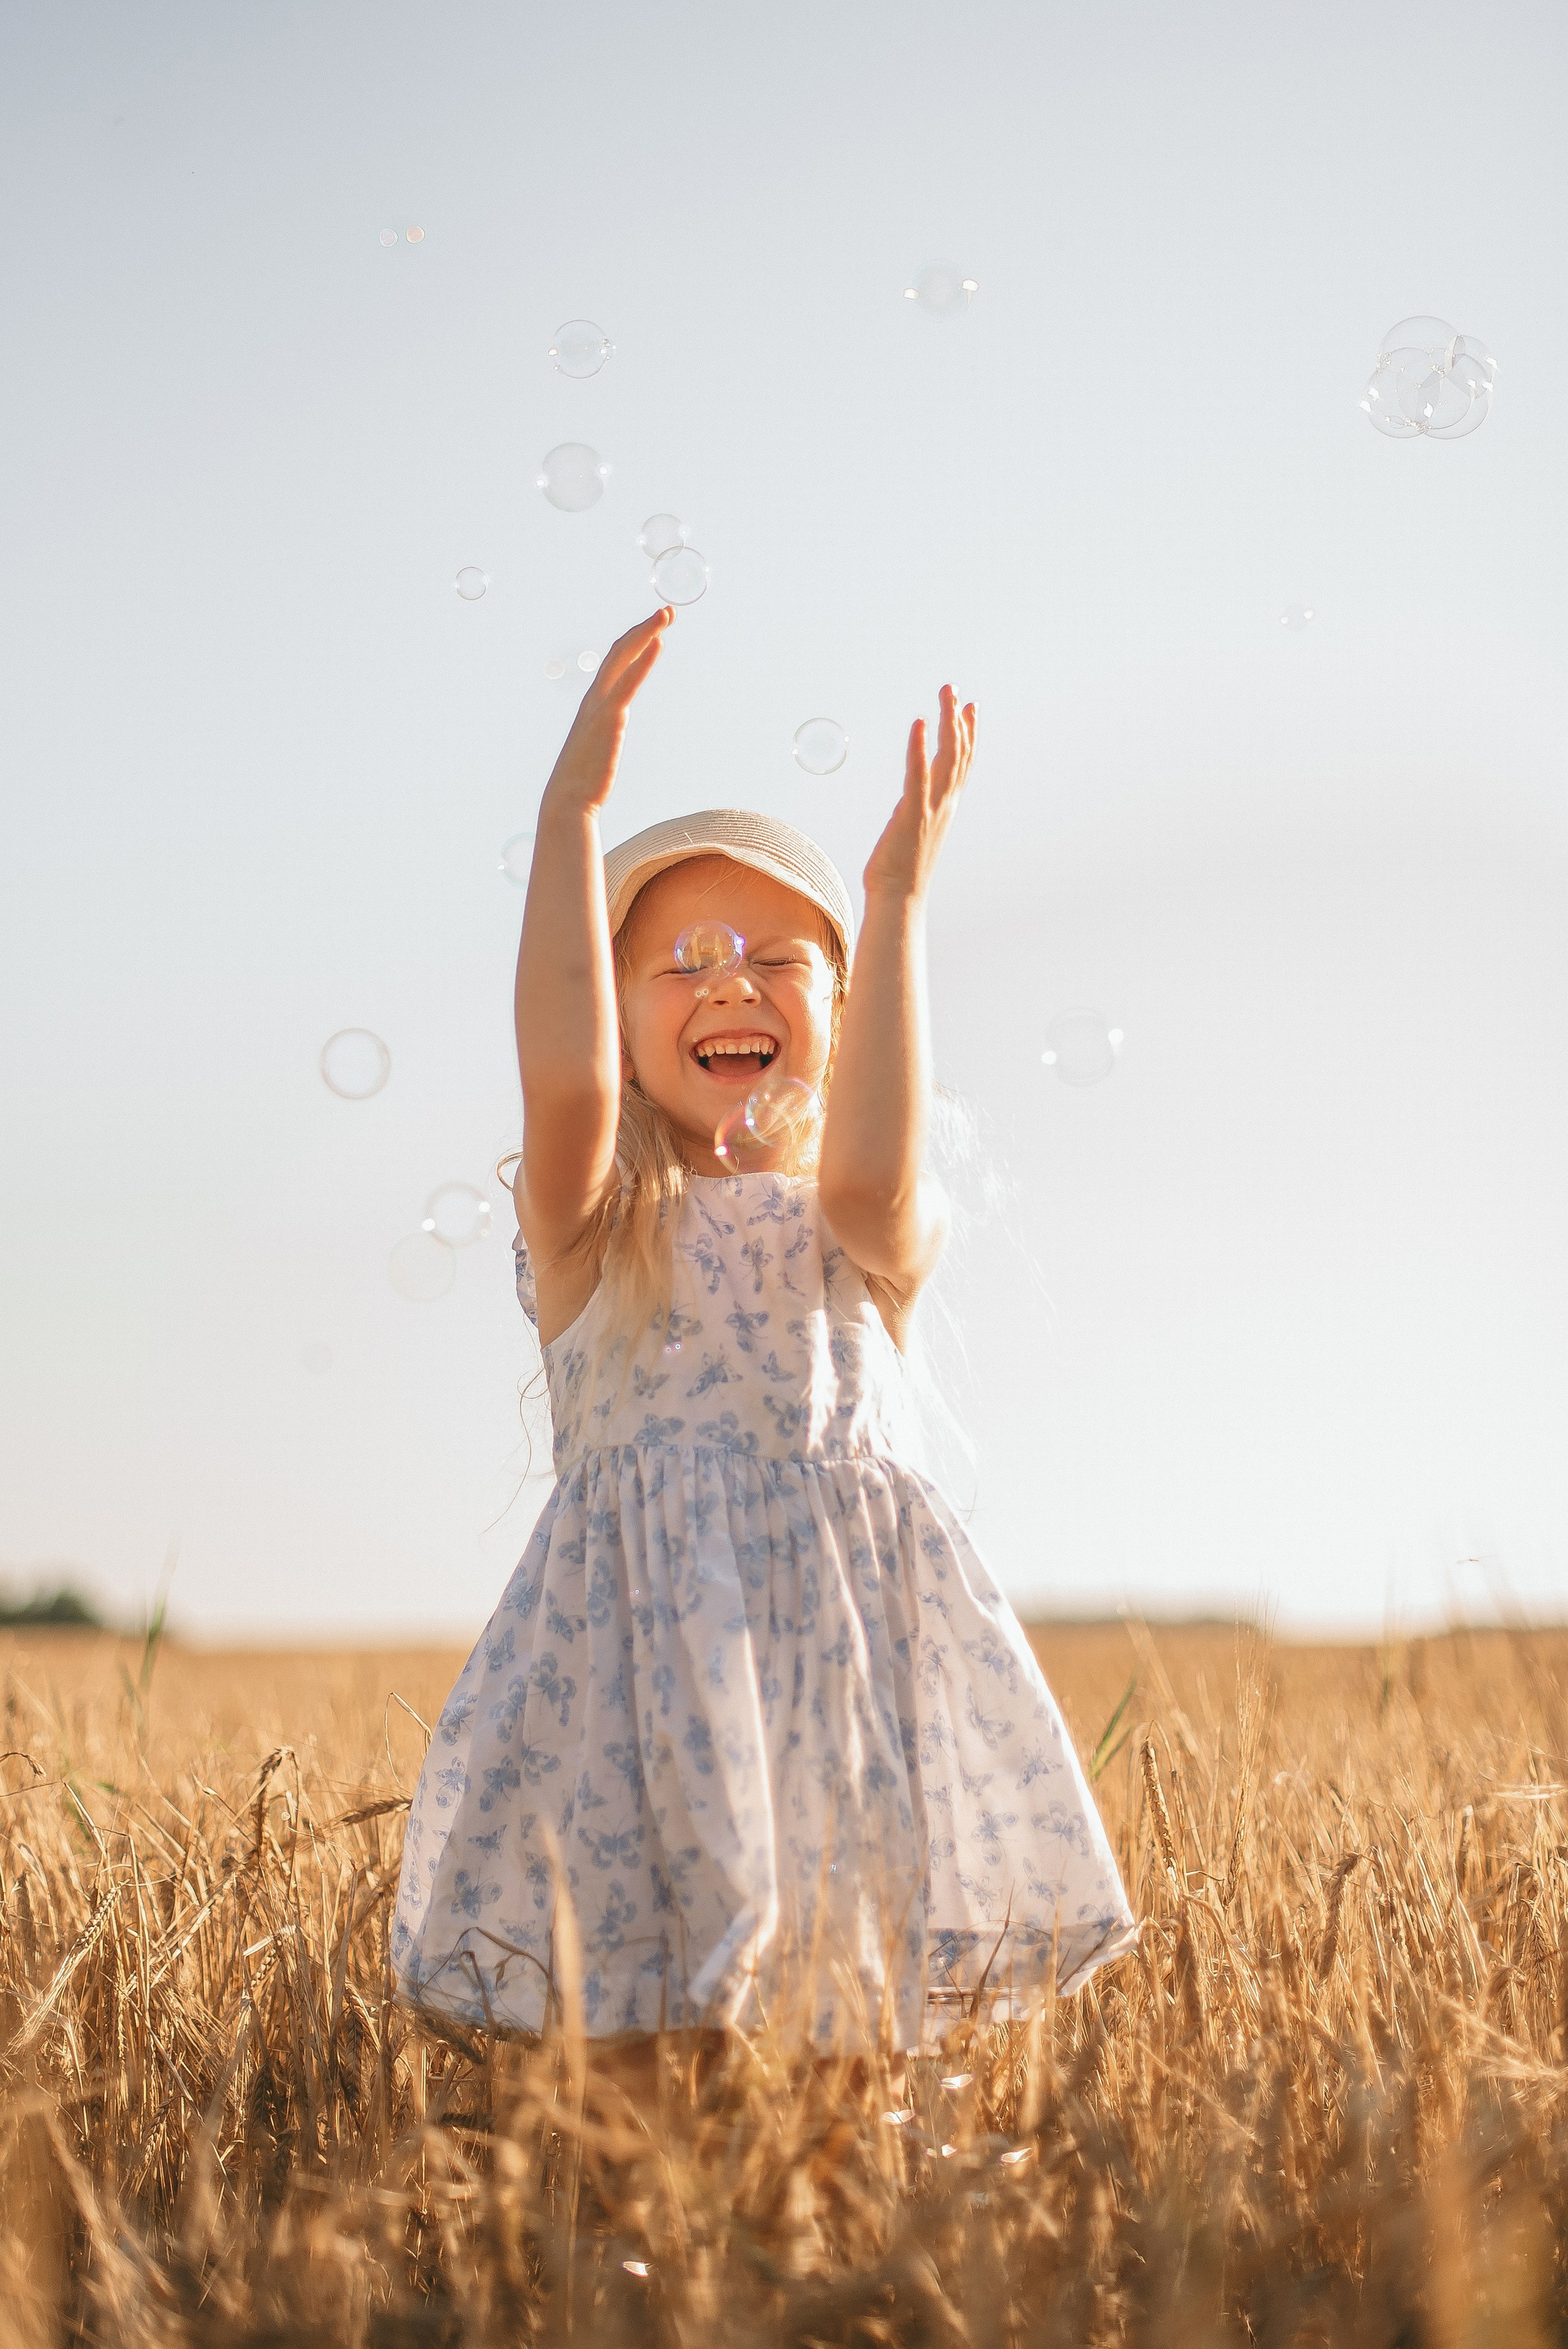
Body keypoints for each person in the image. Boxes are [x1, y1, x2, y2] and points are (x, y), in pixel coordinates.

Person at [391, 606, 1135, 2060]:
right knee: (642, 2068)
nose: (730, 981)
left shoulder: (868, 1229)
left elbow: (862, 1168)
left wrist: (895, 896)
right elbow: (558, 1088)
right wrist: (568, 816)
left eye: (780, 960)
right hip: (632, 1692)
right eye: (677, 962)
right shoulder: (597, 1220)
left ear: (845, 1016)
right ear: (616, 1016)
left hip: (843, 1681)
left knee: (848, 2058)